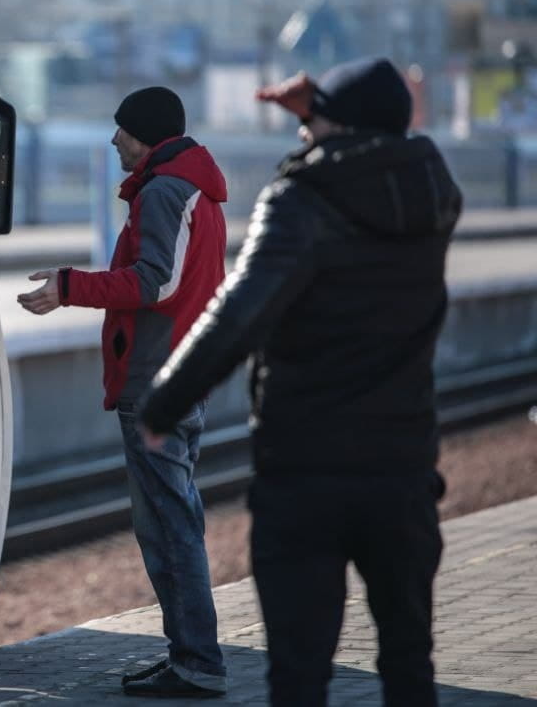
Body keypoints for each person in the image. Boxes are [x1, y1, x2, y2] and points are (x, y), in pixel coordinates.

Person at [137, 57, 461, 706]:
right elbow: (374, 151)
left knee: (299, 671)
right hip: (402, 469)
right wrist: (329, 115)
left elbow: (239, 313)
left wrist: (163, 404)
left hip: (308, 473)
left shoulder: (302, 199)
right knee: (408, 658)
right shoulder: (432, 192)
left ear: (331, 123)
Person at [18, 86, 229, 698]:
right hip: (177, 373)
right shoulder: (191, 189)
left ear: (148, 134)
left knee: (169, 527)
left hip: (158, 381)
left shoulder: (166, 191)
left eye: (123, 130)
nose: (114, 139)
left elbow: (155, 283)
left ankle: (198, 662)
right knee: (169, 521)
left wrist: (69, 286)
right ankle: (190, 657)